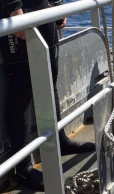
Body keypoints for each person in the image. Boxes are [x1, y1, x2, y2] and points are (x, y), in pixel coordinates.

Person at [0, 0, 95, 190]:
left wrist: (58, 6)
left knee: (50, 80)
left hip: (43, 14)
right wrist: (14, 9)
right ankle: (23, 167)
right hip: (20, 17)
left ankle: (59, 140)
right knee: (22, 94)